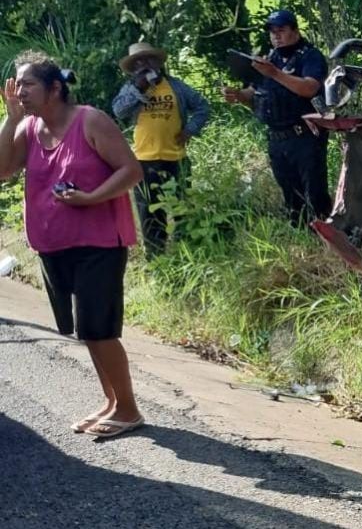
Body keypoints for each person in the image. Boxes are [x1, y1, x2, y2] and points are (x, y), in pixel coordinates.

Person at [0, 50, 145, 438]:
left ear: (55, 88)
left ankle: (129, 409)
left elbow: (132, 170)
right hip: (54, 244)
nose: (21, 91)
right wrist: (10, 119)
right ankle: (113, 402)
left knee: (100, 328)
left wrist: (92, 198)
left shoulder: (90, 120)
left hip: (99, 242)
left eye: (28, 84)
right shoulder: (28, 127)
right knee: (85, 330)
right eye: (18, 84)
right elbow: (3, 171)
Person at [221, 9, 331, 225]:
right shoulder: (271, 58)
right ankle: (301, 235)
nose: (276, 36)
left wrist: (275, 74)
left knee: (315, 193)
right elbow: (254, 92)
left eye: (281, 30)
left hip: (305, 135)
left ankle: (326, 236)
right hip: (277, 137)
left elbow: (310, 88)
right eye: (272, 32)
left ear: (295, 31)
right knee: (290, 194)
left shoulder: (309, 56)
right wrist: (238, 95)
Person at [112, 42, 210, 255]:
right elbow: (119, 111)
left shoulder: (176, 86)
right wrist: (140, 87)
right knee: (150, 213)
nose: (144, 64)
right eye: (138, 62)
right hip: (144, 160)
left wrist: (190, 130)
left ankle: (186, 254)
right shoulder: (130, 89)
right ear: (134, 68)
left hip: (176, 157)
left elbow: (202, 106)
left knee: (182, 209)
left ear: (158, 62)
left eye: (148, 59)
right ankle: (157, 260)